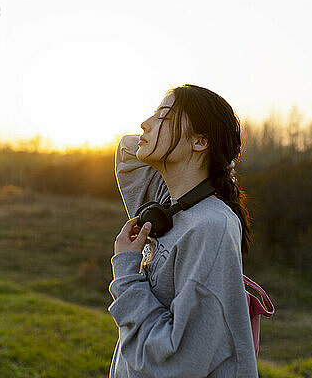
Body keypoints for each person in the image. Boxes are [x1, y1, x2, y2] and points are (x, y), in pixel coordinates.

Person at [108, 84, 258, 377]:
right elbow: (128, 150)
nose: (145, 124)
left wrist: (127, 272)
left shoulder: (210, 227)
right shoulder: (171, 209)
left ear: (201, 141)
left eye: (163, 116)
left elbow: (178, 361)